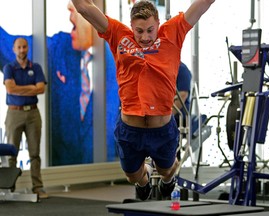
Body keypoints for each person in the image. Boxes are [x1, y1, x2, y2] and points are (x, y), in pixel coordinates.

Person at [72, 0, 215, 201]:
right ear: (131, 26)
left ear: (158, 23)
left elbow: (203, 3)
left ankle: (167, 180)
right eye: (139, 31)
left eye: (150, 30)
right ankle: (144, 180)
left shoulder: (173, 31)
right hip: (130, 129)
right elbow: (84, 8)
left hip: (162, 129)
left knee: (166, 170)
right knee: (132, 175)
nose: (145, 37)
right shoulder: (118, 34)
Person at [48, 1, 118, 165]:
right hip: (63, 173)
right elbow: (11, 47)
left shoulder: (119, 59)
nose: (69, 7)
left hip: (108, 174)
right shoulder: (58, 47)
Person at [3, 37, 48, 199]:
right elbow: (10, 89)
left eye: (24, 47)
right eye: (19, 47)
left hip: (33, 114)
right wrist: (32, 88)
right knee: (11, 153)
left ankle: (38, 187)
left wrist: (19, 89)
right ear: (14, 49)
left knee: (34, 153)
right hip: (14, 113)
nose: (22, 50)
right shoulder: (9, 67)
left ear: (27, 48)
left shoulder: (35, 67)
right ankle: (10, 187)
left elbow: (41, 89)